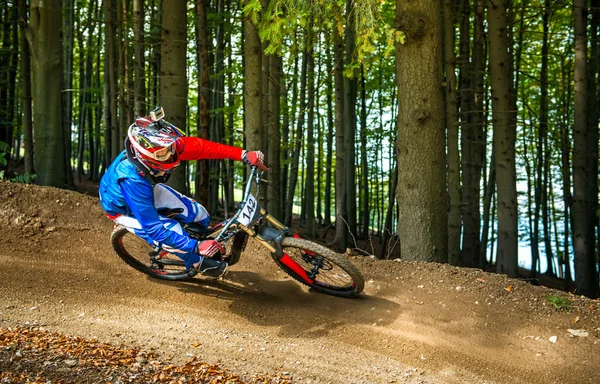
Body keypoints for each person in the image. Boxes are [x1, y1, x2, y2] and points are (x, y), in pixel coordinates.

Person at [99, 107, 267, 278]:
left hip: (144, 190)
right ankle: (195, 260)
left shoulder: (162, 145)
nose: (172, 152)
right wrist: (194, 247)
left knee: (200, 216)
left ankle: (195, 243)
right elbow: (154, 228)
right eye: (164, 152)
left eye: (170, 146)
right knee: (172, 233)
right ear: (146, 154)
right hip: (121, 207)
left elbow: (202, 148)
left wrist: (243, 154)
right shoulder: (131, 180)